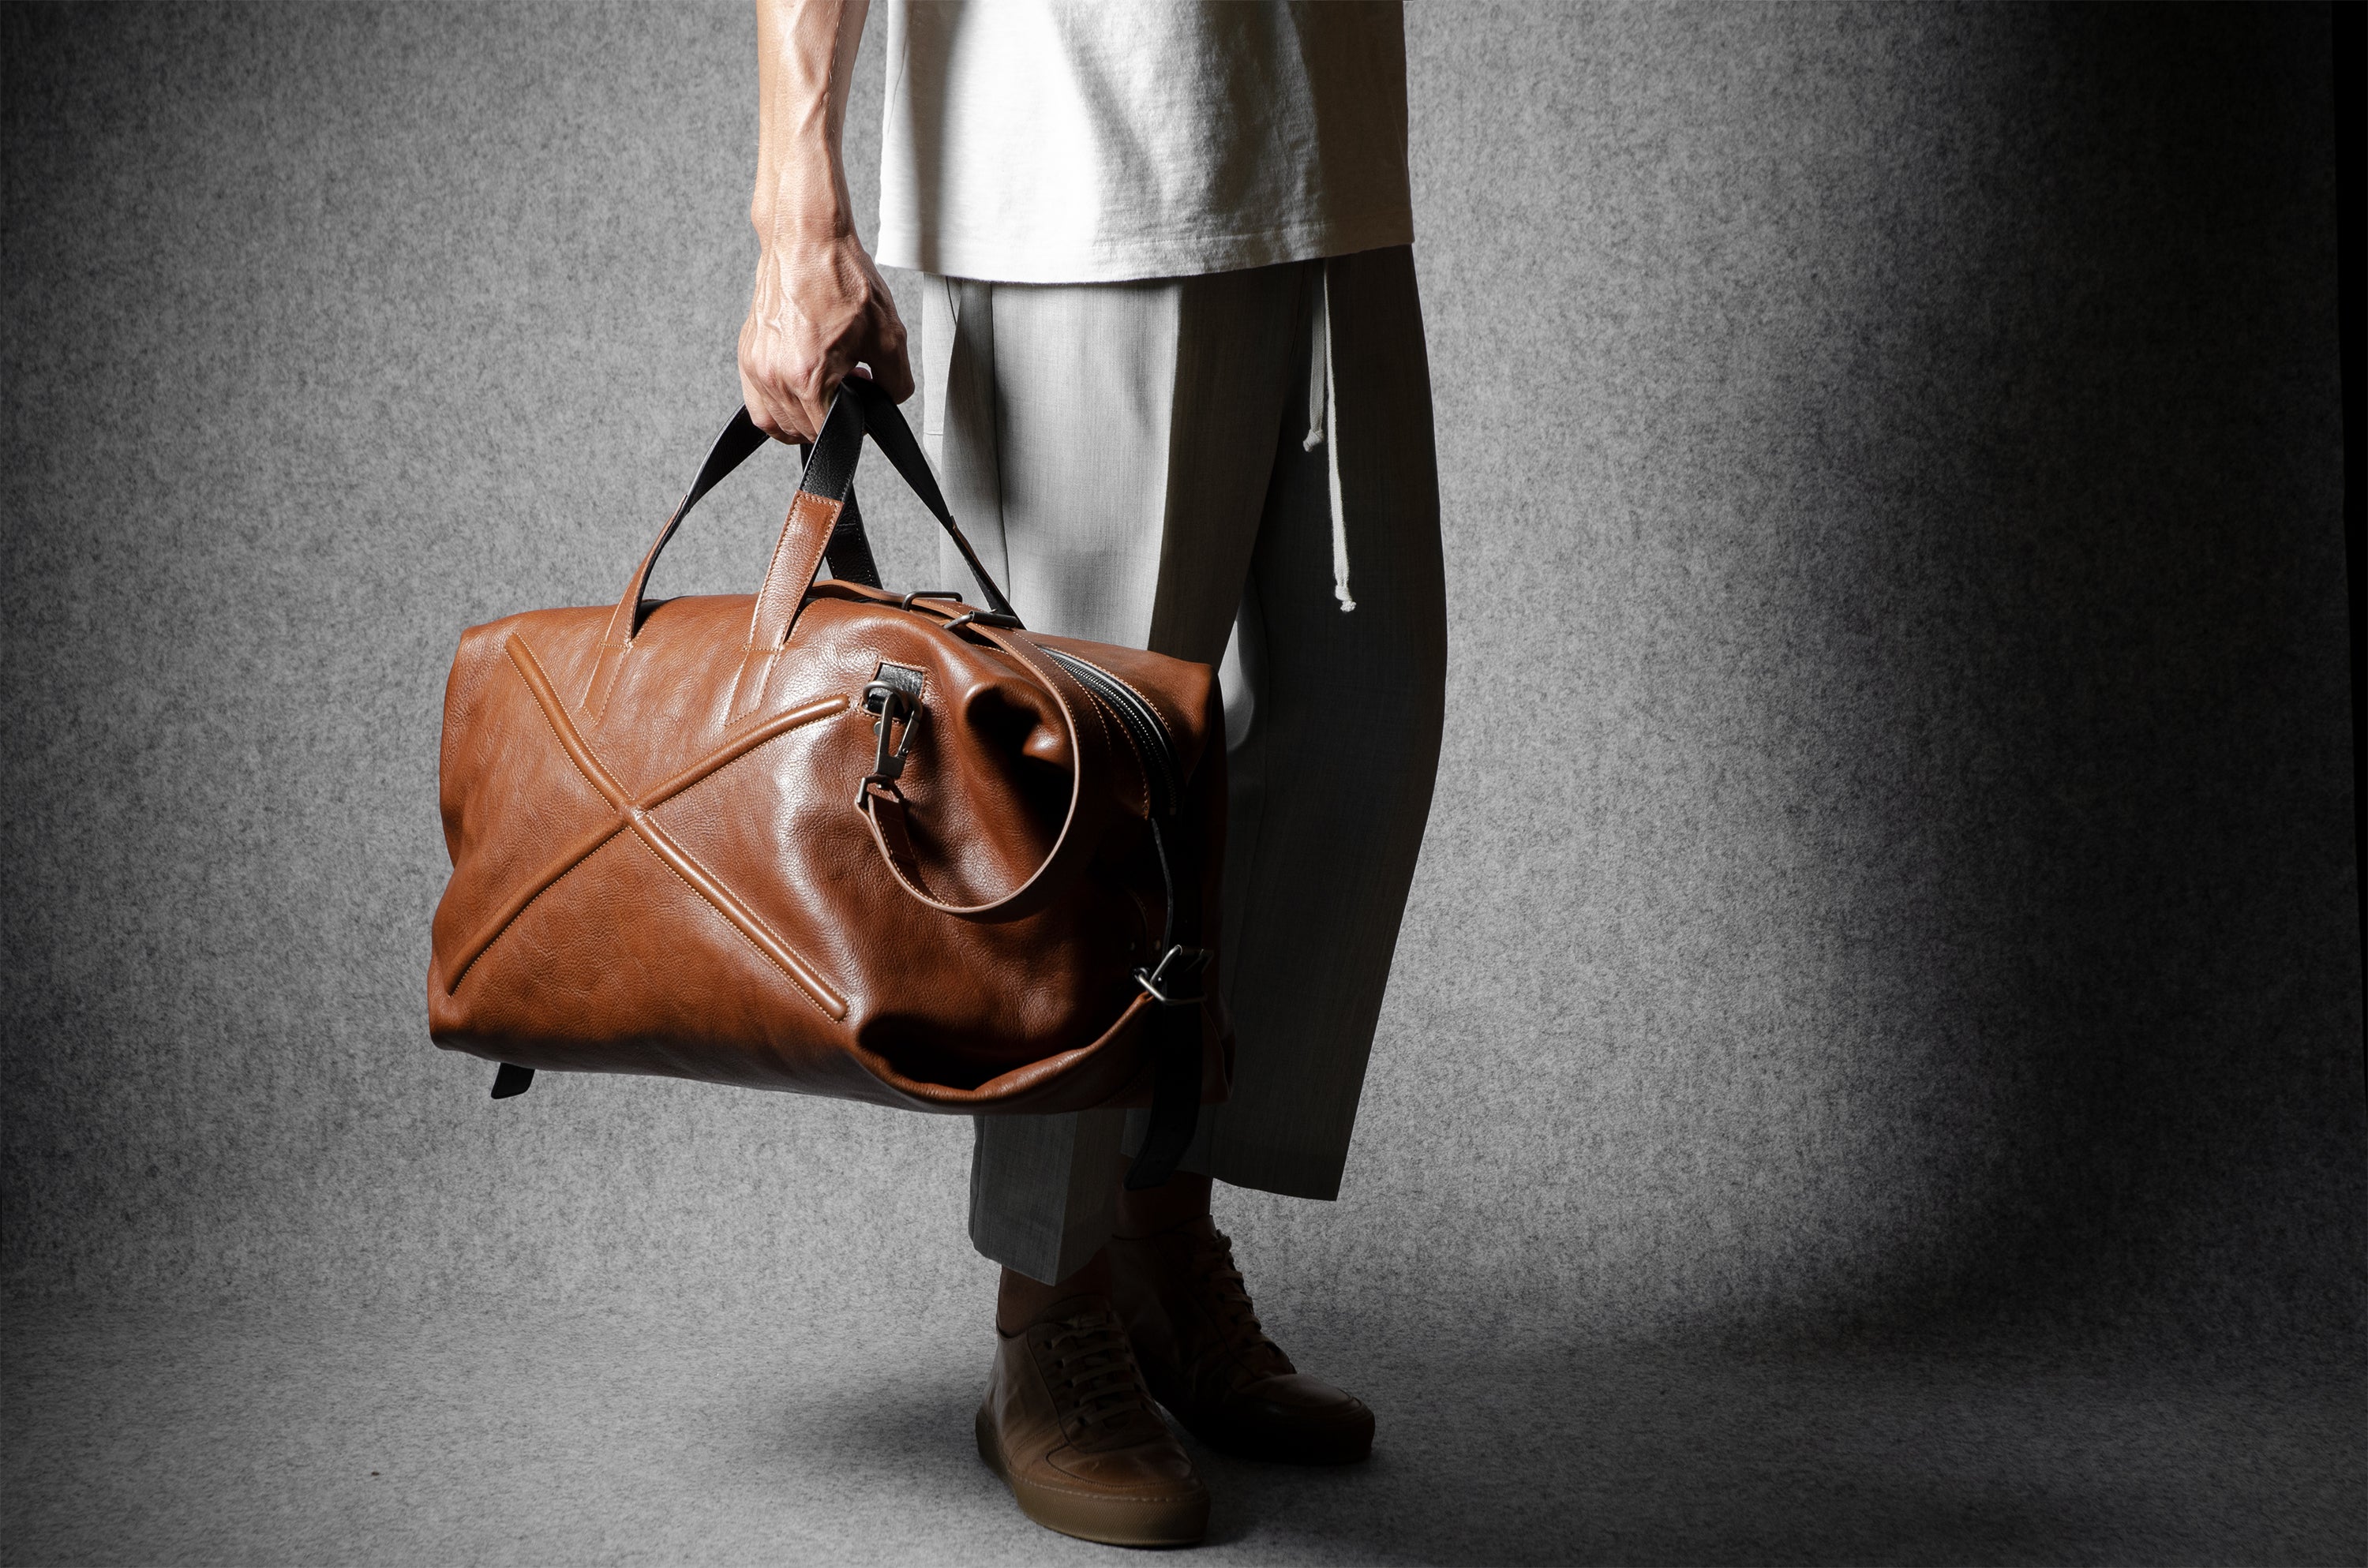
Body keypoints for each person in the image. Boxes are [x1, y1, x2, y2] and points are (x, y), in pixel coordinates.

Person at [736, 0, 1445, 1547]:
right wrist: (799, 210)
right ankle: (1047, 1317)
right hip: (1077, 174)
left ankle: (1154, 1223)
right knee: (1075, 798)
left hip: (1323, 160)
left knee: (1355, 715)